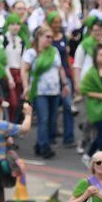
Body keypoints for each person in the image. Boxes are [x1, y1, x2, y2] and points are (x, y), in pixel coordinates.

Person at [21, 25, 68, 159]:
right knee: (44, 118)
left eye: (51, 38)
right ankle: (44, 147)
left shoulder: (54, 51)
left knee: (52, 120)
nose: (50, 40)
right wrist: (26, 87)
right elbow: (24, 70)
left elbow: (60, 69)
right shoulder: (31, 53)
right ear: (39, 37)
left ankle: (39, 143)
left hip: (54, 90)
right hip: (39, 91)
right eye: (47, 37)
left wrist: (65, 84)